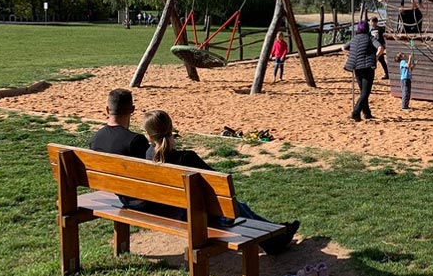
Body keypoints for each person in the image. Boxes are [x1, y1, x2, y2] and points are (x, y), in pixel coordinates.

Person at [141, 110, 298, 254]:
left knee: (240, 207)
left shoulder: (148, 156)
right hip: (195, 216)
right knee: (237, 208)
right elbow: (218, 182)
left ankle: (278, 232)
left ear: (149, 135)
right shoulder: (187, 158)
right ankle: (277, 237)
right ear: (171, 128)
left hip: (168, 211)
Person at [90, 88, 149, 206]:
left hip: (106, 190)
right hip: (134, 198)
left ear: (107, 109)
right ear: (132, 109)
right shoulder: (136, 140)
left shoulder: (96, 138)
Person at [344, 20, 382, 121]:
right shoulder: (370, 38)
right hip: (367, 68)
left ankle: (367, 113)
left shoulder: (354, 39)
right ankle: (356, 112)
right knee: (365, 92)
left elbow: (344, 48)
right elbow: (381, 48)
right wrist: (376, 58)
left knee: (363, 92)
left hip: (356, 67)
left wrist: (352, 54)